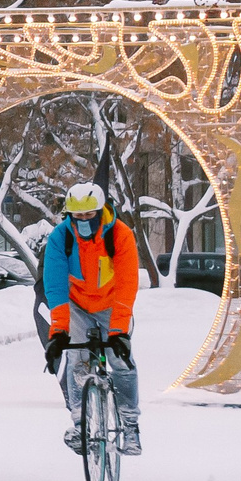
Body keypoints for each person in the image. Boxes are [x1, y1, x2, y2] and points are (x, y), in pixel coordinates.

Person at [42, 182, 142, 455]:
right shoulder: (60, 238)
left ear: (99, 212)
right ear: (70, 216)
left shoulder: (120, 235)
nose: (83, 221)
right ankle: (80, 424)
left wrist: (119, 331)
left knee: (120, 362)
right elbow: (55, 286)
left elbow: (127, 283)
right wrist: (59, 332)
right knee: (77, 362)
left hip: (112, 304)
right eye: (77, 217)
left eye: (88, 216)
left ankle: (130, 426)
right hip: (77, 305)